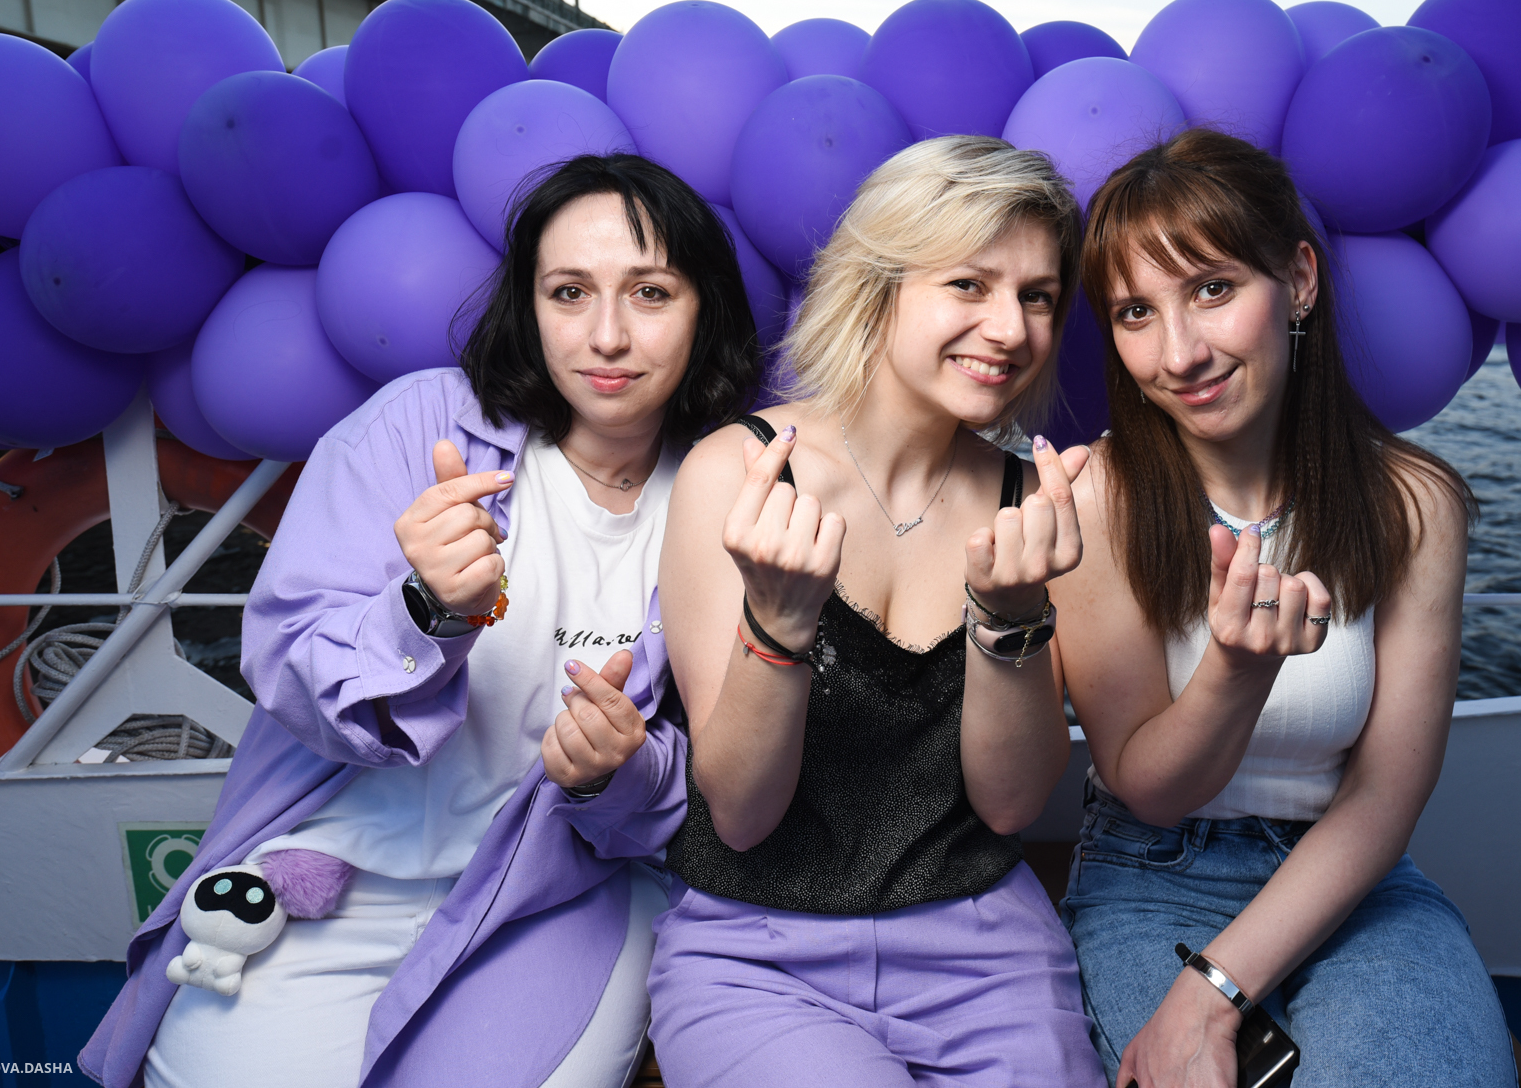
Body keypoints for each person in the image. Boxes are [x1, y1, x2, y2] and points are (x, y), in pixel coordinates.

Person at [81, 153, 761, 1088]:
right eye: (569, 293)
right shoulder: (417, 426)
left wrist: (622, 771)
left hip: (558, 889)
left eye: (650, 293)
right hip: (332, 869)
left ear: (704, 310)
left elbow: (739, 776)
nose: (607, 336)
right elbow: (288, 672)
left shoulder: (731, 488)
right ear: (528, 306)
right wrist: (425, 611)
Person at [1052, 129, 1517, 1088]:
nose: (1179, 353)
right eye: (1136, 312)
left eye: (1212, 290)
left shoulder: (1414, 503)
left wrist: (1211, 991)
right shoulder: (1098, 498)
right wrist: (1237, 673)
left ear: (1299, 280)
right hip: (1150, 877)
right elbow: (1149, 789)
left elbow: (1387, 795)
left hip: (1352, 883)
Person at [649, 135, 1106, 1088]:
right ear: (880, 284)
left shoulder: (1035, 501)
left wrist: (1011, 617)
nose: (1011, 328)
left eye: (1037, 296)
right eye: (969, 284)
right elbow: (740, 814)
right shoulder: (736, 474)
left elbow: (1013, 805)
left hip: (984, 949)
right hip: (758, 954)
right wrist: (779, 622)